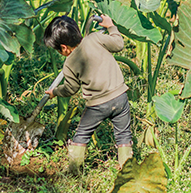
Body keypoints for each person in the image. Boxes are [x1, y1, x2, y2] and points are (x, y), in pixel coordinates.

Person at [44, 14, 133, 173]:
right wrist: (111, 26)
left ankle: (74, 171)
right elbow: (119, 44)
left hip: (97, 105)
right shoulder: (96, 38)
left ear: (64, 48)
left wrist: (55, 92)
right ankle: (127, 171)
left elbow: (70, 89)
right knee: (123, 135)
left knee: (82, 135)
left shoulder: (69, 64)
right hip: (120, 98)